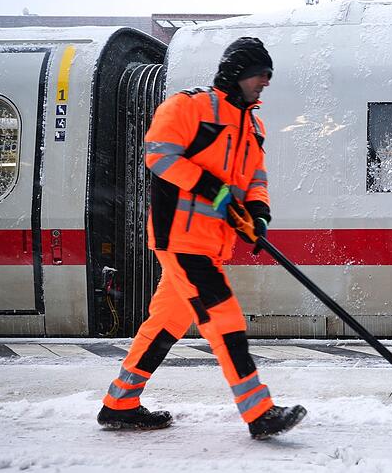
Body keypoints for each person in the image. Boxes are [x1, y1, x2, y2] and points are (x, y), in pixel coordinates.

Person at [97, 37, 306, 439]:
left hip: (211, 241)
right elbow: (159, 155)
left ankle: (119, 403)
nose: (265, 83)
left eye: (268, 76)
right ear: (237, 73)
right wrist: (213, 188)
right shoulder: (189, 106)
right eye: (259, 75)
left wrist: (258, 212)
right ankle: (258, 411)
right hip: (179, 236)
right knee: (224, 316)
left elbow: (254, 178)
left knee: (167, 322)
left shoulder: (252, 124)